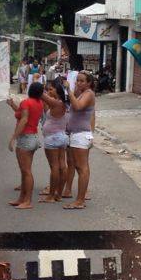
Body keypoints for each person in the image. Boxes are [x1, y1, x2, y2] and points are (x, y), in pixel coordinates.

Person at [62, 71, 96, 209]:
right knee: (78, 166)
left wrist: (69, 90)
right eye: (78, 80)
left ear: (89, 83)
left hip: (81, 134)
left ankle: (80, 200)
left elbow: (77, 106)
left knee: (82, 168)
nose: (79, 83)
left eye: (82, 81)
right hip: (76, 134)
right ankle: (79, 198)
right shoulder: (81, 93)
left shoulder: (88, 94)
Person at [7, 81, 44, 209]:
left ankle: (27, 201)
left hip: (25, 138)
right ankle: (21, 199)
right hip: (33, 137)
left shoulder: (26, 102)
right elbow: (21, 112)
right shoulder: (39, 103)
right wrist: (12, 105)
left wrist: (13, 137)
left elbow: (23, 119)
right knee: (25, 171)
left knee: (26, 171)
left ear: (29, 90)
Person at [40, 79, 68, 202]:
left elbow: (40, 94)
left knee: (55, 167)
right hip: (61, 136)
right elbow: (46, 107)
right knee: (62, 166)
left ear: (58, 90)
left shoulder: (57, 103)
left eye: (51, 89)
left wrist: (36, 81)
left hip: (52, 138)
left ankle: (51, 195)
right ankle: (59, 194)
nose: (49, 92)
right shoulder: (63, 103)